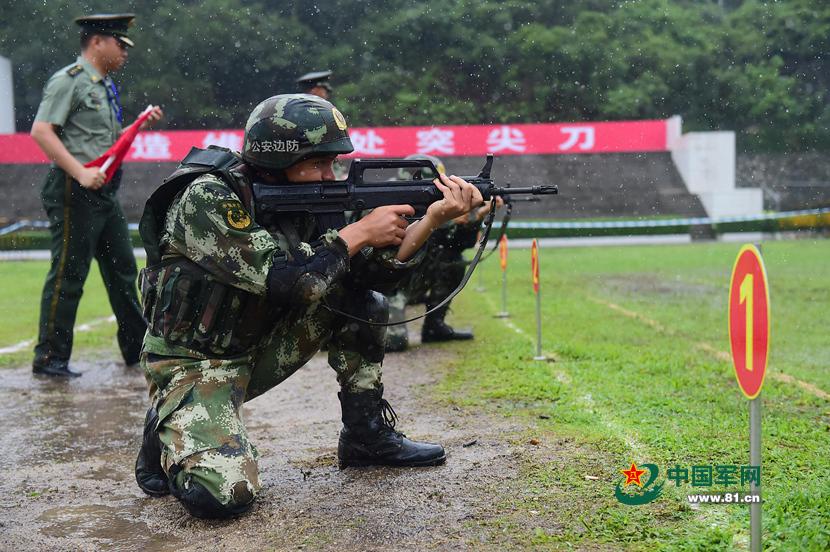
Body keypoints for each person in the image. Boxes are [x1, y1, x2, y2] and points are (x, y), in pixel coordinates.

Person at [134, 94, 483, 519]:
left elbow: (366, 276)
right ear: (279, 158)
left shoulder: (305, 198)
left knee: (361, 302)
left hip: (255, 346)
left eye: (333, 163)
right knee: (222, 496)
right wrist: (358, 232)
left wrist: (431, 220)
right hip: (195, 361)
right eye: (318, 163)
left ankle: (366, 436)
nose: (329, 175)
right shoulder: (207, 198)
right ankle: (170, 425)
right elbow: (292, 284)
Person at [29, 13, 163, 378]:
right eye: (120, 44)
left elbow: (103, 141)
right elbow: (41, 131)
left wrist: (138, 124)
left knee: (123, 270)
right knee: (68, 275)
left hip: (103, 191)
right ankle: (50, 358)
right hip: (74, 188)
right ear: (97, 42)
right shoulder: (69, 80)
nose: (124, 52)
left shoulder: (103, 85)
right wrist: (80, 172)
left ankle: (137, 350)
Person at [385, 154, 500, 352]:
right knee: (393, 343)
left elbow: (456, 244)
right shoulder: (388, 198)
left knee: (452, 262)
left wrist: (475, 216)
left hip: (407, 279)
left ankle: (434, 326)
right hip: (380, 283)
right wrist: (452, 218)